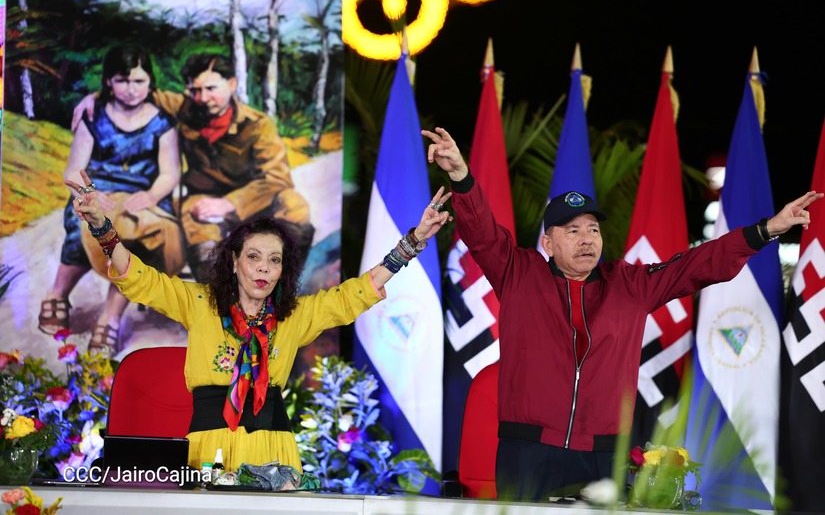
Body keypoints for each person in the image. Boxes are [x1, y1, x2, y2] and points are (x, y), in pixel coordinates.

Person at [422, 126, 823, 502]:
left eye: (593, 230)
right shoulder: (517, 273)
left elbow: (695, 265)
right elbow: (482, 233)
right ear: (547, 243)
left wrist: (765, 230)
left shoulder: (629, 284)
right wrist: (460, 176)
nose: (586, 239)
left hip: (603, 456)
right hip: (527, 451)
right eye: (572, 230)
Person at [66, 168, 452, 474]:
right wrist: (100, 225)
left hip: (275, 451)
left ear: (283, 270)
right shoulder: (200, 303)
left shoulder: (294, 316)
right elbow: (141, 279)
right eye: (253, 257)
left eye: (274, 260)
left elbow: (354, 294)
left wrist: (413, 242)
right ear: (234, 262)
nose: (264, 268)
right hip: (207, 449)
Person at [74, 52, 314, 283]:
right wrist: (95, 97)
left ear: (231, 84)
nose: (203, 97)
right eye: (196, 90)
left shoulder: (258, 124)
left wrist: (229, 203)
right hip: (203, 196)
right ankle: (217, 294)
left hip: (253, 199)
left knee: (295, 206)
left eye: (211, 88)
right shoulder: (185, 107)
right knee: (196, 222)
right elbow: (140, 92)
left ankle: (281, 283)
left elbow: (277, 178)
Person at [39, 45, 182, 356]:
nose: (131, 89)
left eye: (139, 81)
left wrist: (151, 196)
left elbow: (170, 173)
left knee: (136, 240)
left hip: (143, 196)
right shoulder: (95, 117)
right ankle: (57, 294)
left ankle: (110, 317)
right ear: (108, 82)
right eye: (122, 80)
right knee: (81, 225)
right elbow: (73, 170)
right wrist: (87, 193)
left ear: (150, 82)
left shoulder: (162, 123)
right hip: (97, 191)